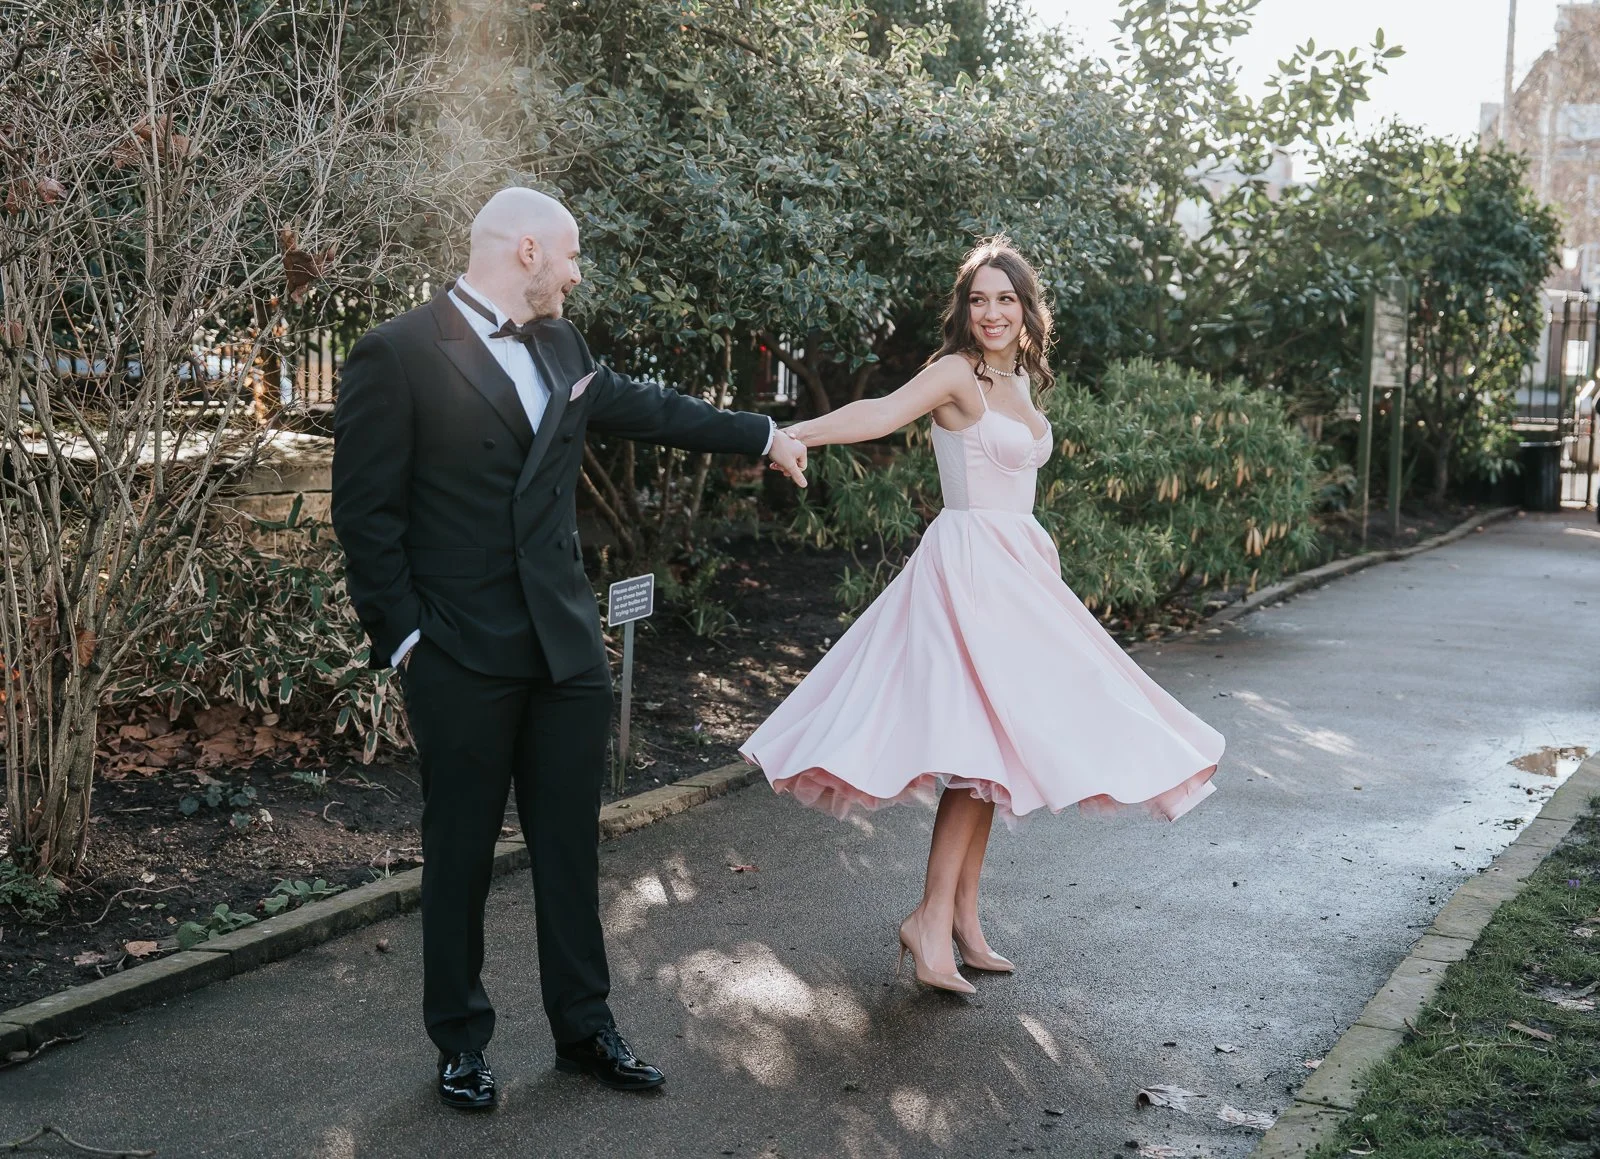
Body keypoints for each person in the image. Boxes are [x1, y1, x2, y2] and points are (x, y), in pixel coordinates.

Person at [331, 187, 808, 1109]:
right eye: (572, 254)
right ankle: (461, 1043)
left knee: (569, 849)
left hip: (565, 648)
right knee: (461, 852)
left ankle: (585, 1028)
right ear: (524, 251)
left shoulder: (562, 345)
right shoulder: (394, 353)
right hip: (459, 655)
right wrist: (407, 645)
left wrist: (762, 431)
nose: (578, 271)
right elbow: (366, 517)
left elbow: (649, 408)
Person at [740, 236, 1222, 994]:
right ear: (965, 311)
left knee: (994, 752)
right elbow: (881, 411)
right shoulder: (955, 374)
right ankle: (928, 923)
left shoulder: (1021, 378)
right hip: (967, 574)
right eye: (979, 299)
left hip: (1019, 575)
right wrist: (792, 433)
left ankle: (961, 916)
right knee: (980, 751)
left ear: (1027, 309)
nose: (991, 312)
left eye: (1005, 298)